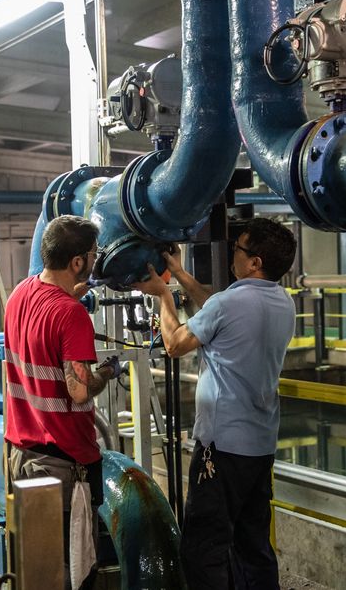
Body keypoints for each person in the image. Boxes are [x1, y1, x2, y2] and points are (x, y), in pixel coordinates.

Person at [135, 217, 298, 590]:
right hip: (260, 445)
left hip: (221, 447)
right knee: (253, 543)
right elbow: (216, 307)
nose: (233, 257)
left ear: (254, 262)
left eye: (239, 250)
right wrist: (178, 272)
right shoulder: (282, 303)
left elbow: (175, 344)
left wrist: (163, 294)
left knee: (205, 547)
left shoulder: (229, 304)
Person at [3, 215, 118, 589]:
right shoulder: (71, 315)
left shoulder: (20, 293)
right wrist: (107, 372)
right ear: (78, 262)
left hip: (22, 456)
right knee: (75, 571)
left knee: (39, 570)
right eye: (93, 253)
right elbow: (80, 390)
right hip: (65, 465)